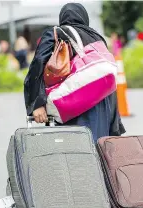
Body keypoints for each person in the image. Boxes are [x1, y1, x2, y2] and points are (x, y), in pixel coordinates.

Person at [24, 3, 125, 140]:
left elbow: (37, 66)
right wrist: (115, 124)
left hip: (73, 106)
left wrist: (36, 104)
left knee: (73, 153)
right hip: (101, 110)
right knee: (98, 153)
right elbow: (108, 80)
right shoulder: (98, 39)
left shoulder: (56, 33)